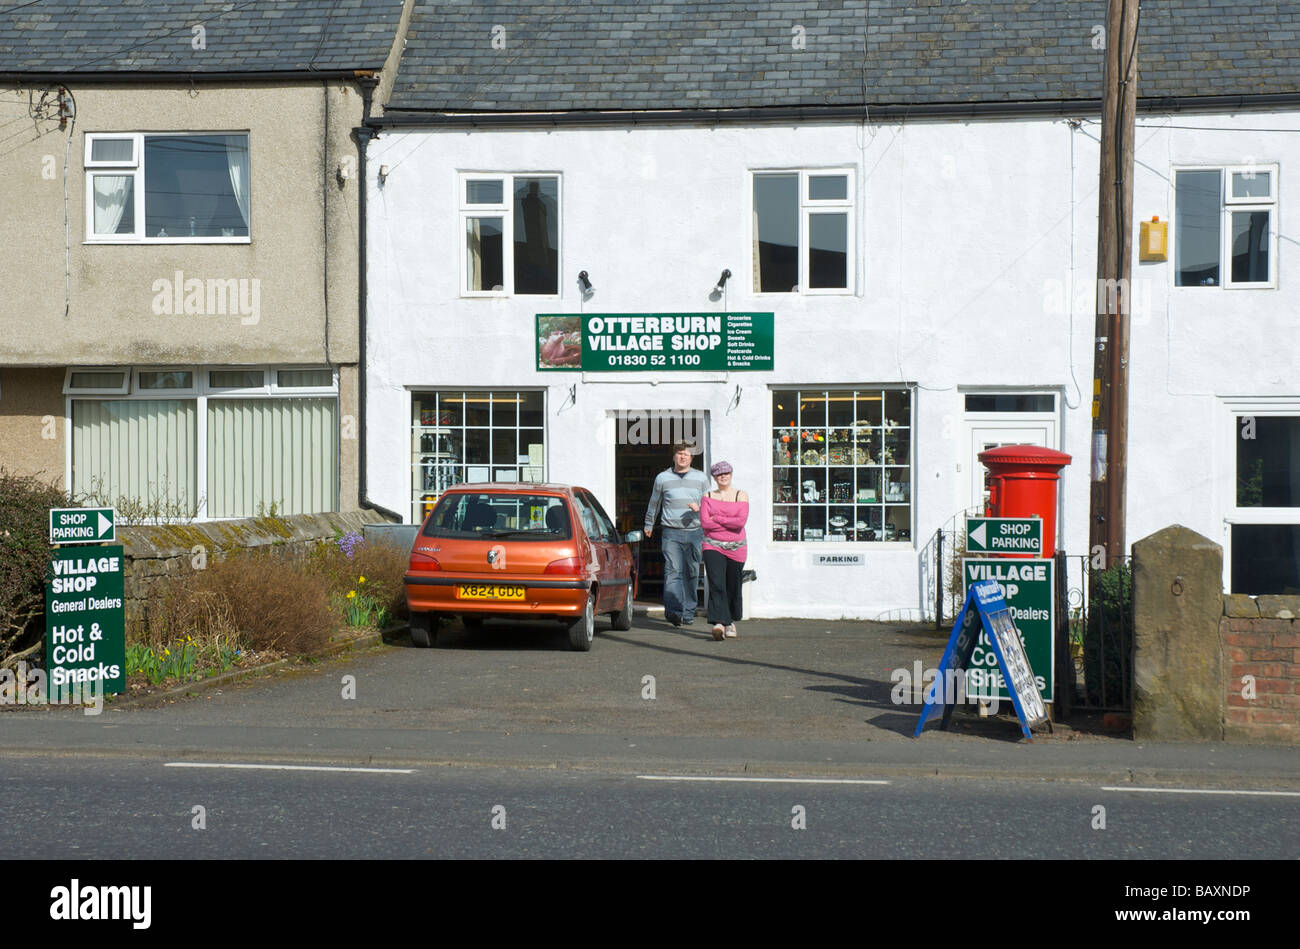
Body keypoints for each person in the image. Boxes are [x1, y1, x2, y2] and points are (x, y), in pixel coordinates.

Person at [644, 441, 709, 626]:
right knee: (673, 571)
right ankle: (673, 612)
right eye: (679, 453)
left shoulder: (701, 478)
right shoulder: (662, 478)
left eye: (686, 454)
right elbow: (654, 502)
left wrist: (700, 508)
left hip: (695, 532)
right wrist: (649, 523)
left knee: (691, 572)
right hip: (670, 532)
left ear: (691, 457)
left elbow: (710, 504)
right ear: (674, 456)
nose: (682, 456)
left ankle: (688, 612)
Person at [699, 461, 748, 640]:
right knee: (717, 582)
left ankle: (730, 621)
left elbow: (740, 523)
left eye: (726, 473)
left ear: (731, 474)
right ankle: (719, 623)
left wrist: (717, 517)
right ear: (714, 477)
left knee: (732, 584)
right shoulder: (708, 496)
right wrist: (728, 521)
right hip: (712, 545)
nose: (723, 476)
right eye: (719, 474)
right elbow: (705, 523)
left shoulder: (740, 495)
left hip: (737, 547)